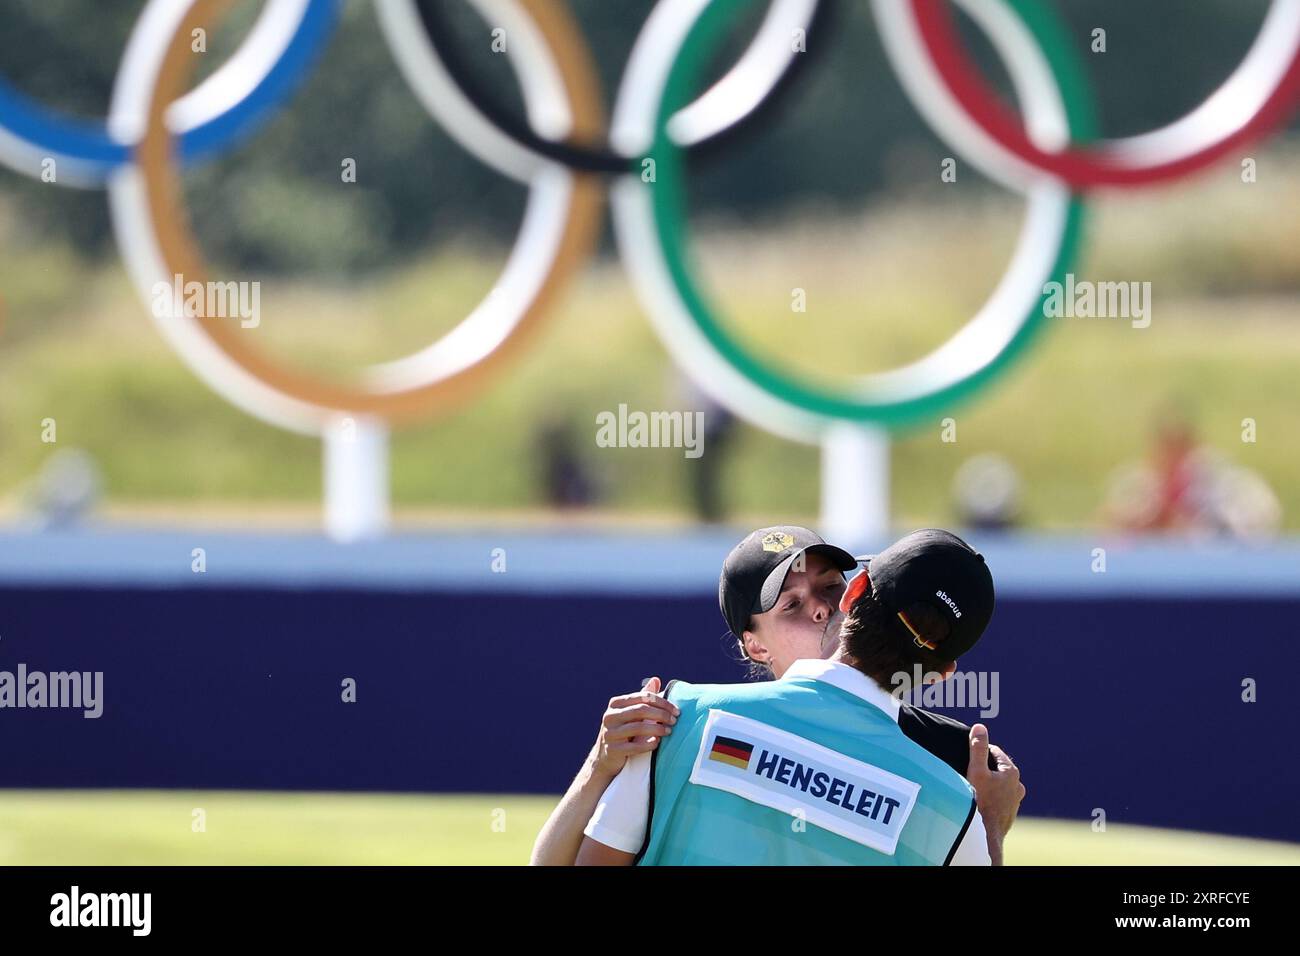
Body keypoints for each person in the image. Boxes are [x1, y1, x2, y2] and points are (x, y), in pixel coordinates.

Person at [530, 527, 1023, 865]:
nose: (818, 610)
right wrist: (987, 832)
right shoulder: (670, 721)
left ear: (852, 596)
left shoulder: (683, 720)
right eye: (791, 604)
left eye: (830, 587)